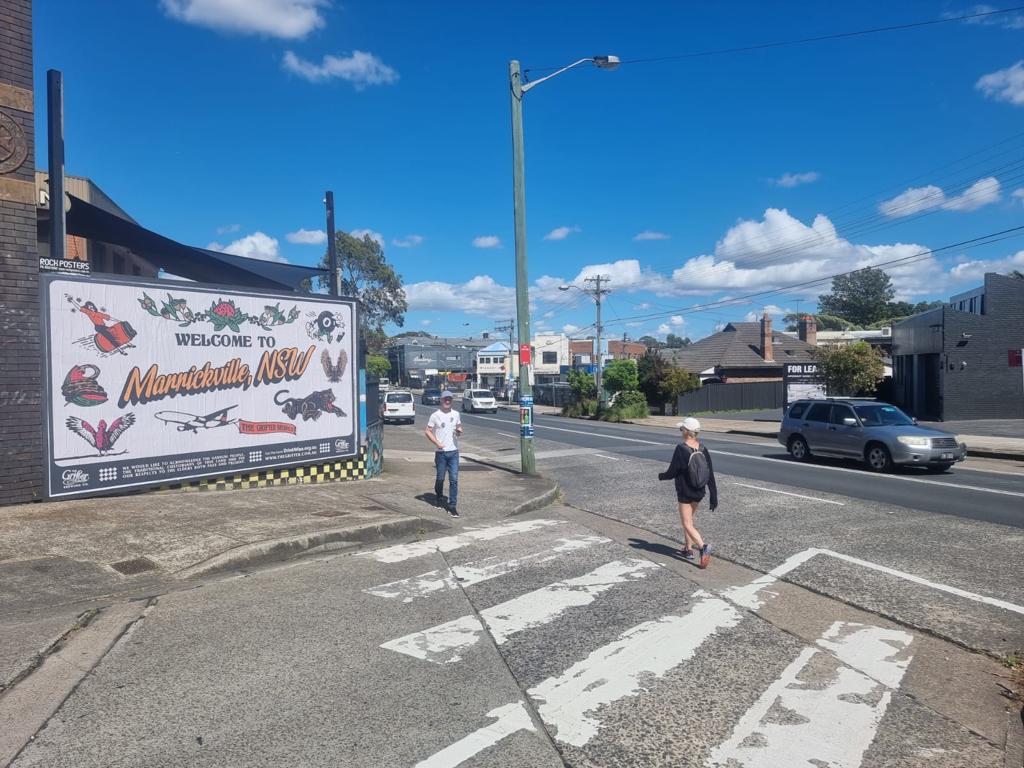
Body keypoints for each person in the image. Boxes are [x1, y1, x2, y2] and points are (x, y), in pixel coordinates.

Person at [658, 416, 718, 568]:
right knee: (689, 521)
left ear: (686, 431)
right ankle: (688, 549)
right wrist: (713, 496)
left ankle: (703, 547)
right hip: (699, 491)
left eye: (681, 429)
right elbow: (710, 474)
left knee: (686, 523)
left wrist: (661, 476)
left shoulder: (681, 448)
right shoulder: (703, 448)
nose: (680, 431)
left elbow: (672, 471)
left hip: (685, 492)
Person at [425, 391, 463, 517]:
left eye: (450, 400)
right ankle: (439, 496)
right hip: (441, 453)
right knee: (440, 478)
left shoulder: (456, 414)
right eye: (445, 399)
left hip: (453, 452)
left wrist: (459, 431)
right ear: (441, 400)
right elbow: (428, 431)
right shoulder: (435, 415)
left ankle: (452, 506)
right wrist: (437, 442)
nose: (447, 401)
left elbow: (458, 427)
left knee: (454, 479)